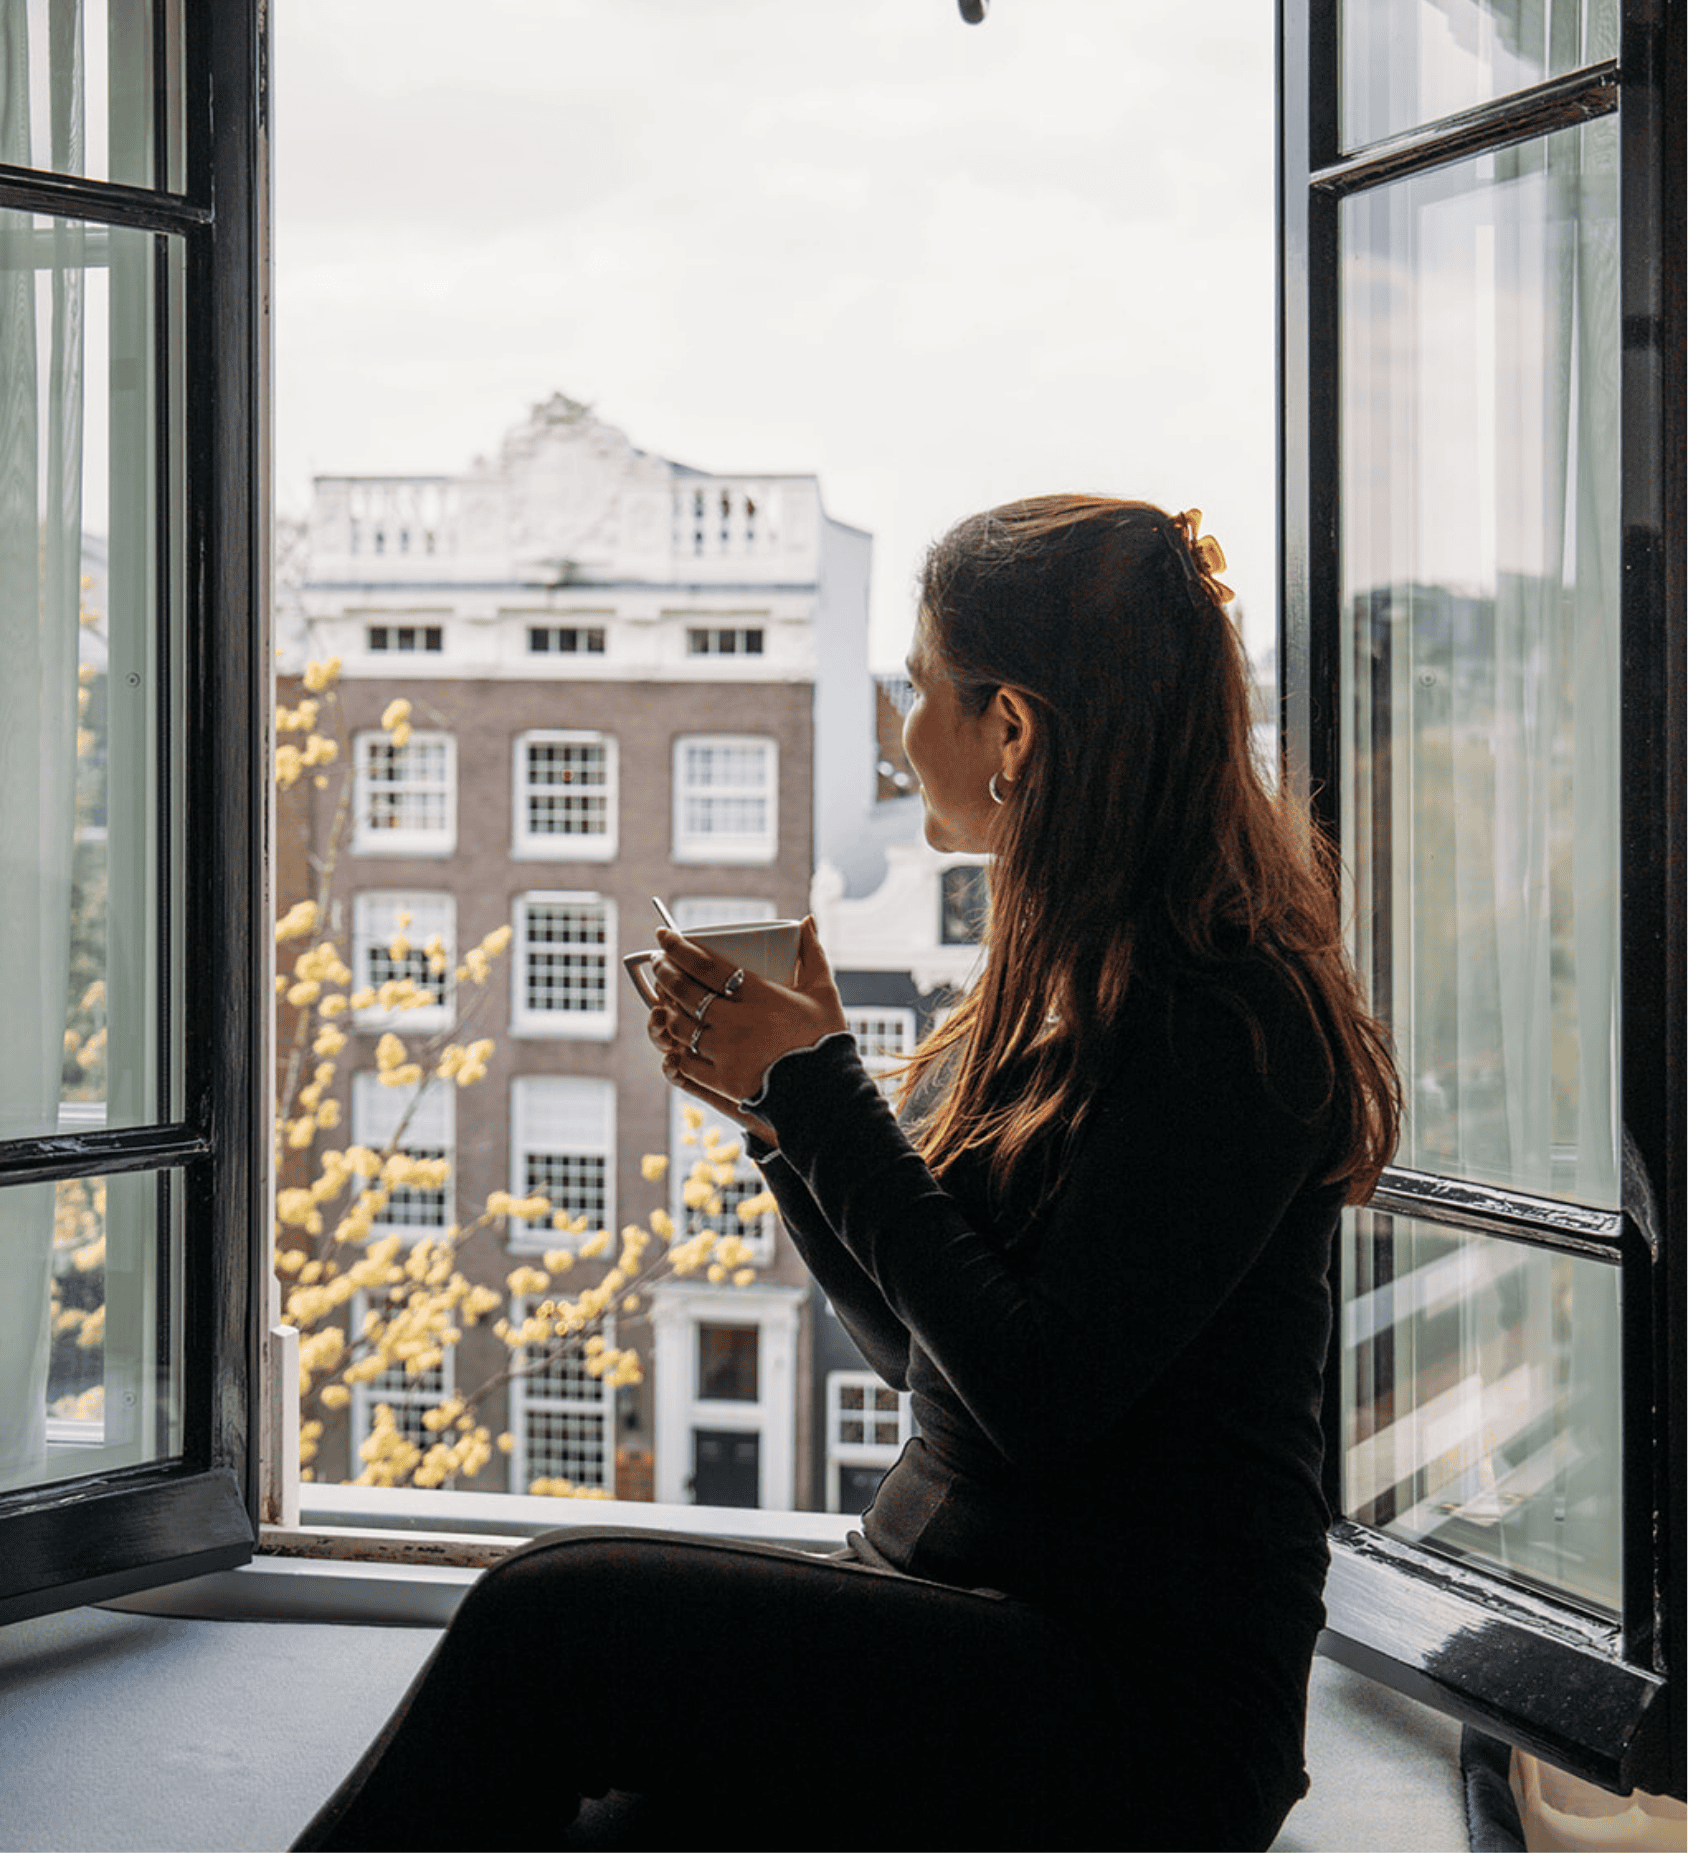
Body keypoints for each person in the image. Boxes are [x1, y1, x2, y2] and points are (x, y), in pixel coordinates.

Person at [293, 495, 1399, 1854]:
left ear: (1014, 729)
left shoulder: (1234, 1018)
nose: (898, 722)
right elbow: (918, 1352)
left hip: (1140, 1710)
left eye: (920, 684)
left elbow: (1043, 1395)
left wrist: (821, 1093)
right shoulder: (1060, 984)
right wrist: (778, 1121)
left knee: (555, 1613)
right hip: (970, 1612)